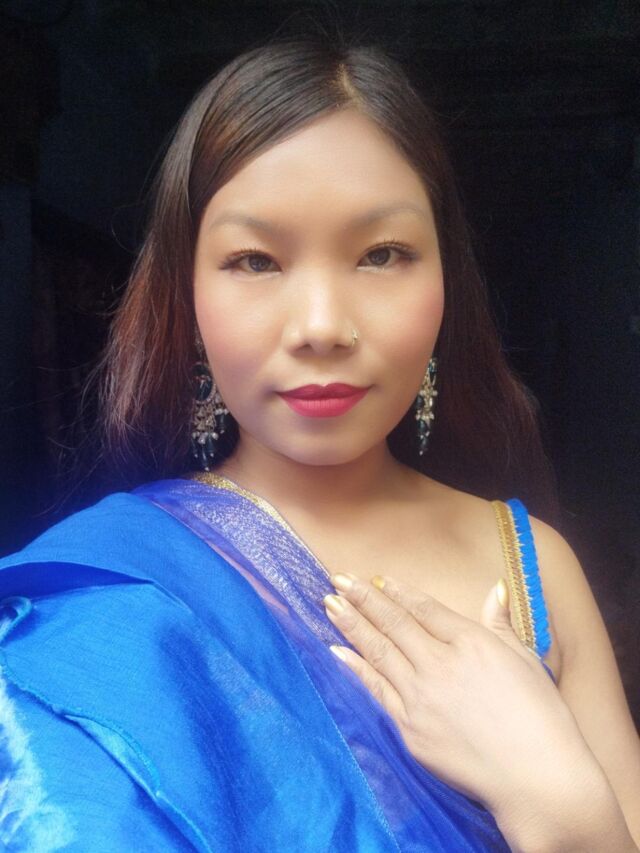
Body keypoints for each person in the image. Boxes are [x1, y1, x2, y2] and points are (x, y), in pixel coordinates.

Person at [1, 34, 639, 852]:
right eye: (255, 260)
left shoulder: (534, 565)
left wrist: (554, 796)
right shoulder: (105, 603)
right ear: (187, 298)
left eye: (382, 254)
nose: (322, 326)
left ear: (446, 281)